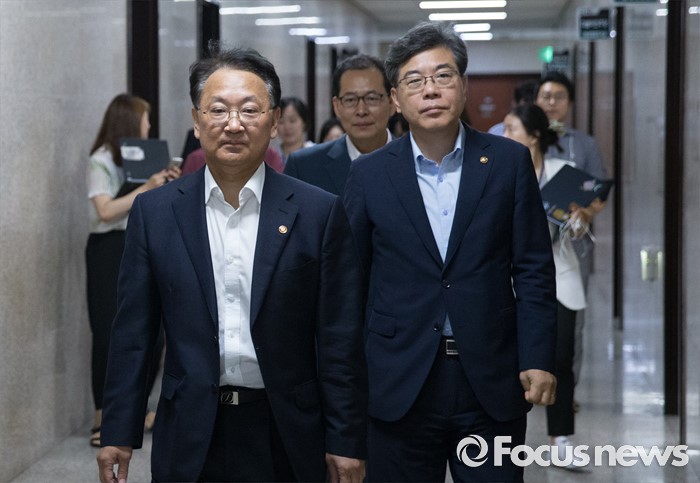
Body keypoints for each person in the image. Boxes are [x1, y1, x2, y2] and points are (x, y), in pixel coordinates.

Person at [96, 46, 367, 483]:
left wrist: (346, 439)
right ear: (196, 119)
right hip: (190, 429)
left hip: (285, 428)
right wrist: (118, 431)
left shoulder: (318, 212)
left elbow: (339, 338)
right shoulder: (156, 213)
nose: (234, 124)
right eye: (218, 109)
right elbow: (134, 333)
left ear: (274, 122)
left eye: (250, 110)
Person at [343, 22, 557, 482]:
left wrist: (539, 357)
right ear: (396, 98)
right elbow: (351, 283)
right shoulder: (369, 175)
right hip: (398, 380)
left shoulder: (507, 162)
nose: (431, 90)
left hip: (490, 376)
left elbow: (534, 268)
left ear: (463, 85)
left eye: (443, 76)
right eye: (414, 81)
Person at [86, 94, 179, 448]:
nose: (149, 126)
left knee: (154, 333)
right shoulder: (101, 160)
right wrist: (147, 187)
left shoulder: (146, 159)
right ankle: (102, 418)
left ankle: (136, 411)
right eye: (145, 119)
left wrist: (164, 184)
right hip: (108, 249)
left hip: (140, 244)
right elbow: (105, 211)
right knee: (108, 332)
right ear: (129, 121)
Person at [503, 103, 588, 470]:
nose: (505, 136)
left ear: (534, 136)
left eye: (511, 129)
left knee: (560, 358)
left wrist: (578, 219)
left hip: (561, 274)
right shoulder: (501, 170)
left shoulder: (563, 173)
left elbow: (580, 232)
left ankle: (561, 438)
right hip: (512, 277)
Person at [535, 71, 608, 387]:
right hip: (531, 242)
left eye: (559, 97)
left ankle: (566, 388)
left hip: (572, 243)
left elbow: (599, 191)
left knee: (571, 319)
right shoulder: (524, 138)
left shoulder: (584, 144)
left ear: (570, 103)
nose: (552, 103)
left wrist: (586, 213)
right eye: (546, 96)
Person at [284, 54, 395, 195]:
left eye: (372, 98)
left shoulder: (415, 160)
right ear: (336, 107)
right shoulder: (303, 167)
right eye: (350, 100)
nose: (361, 111)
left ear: (392, 102)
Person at [182, 145, 284, 175]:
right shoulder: (196, 158)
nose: (233, 126)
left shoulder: (270, 155)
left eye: (249, 111)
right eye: (219, 111)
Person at [275, 96, 314, 163]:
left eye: (292, 121)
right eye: (281, 122)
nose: (287, 127)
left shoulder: (314, 152)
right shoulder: (271, 156)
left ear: (304, 122)